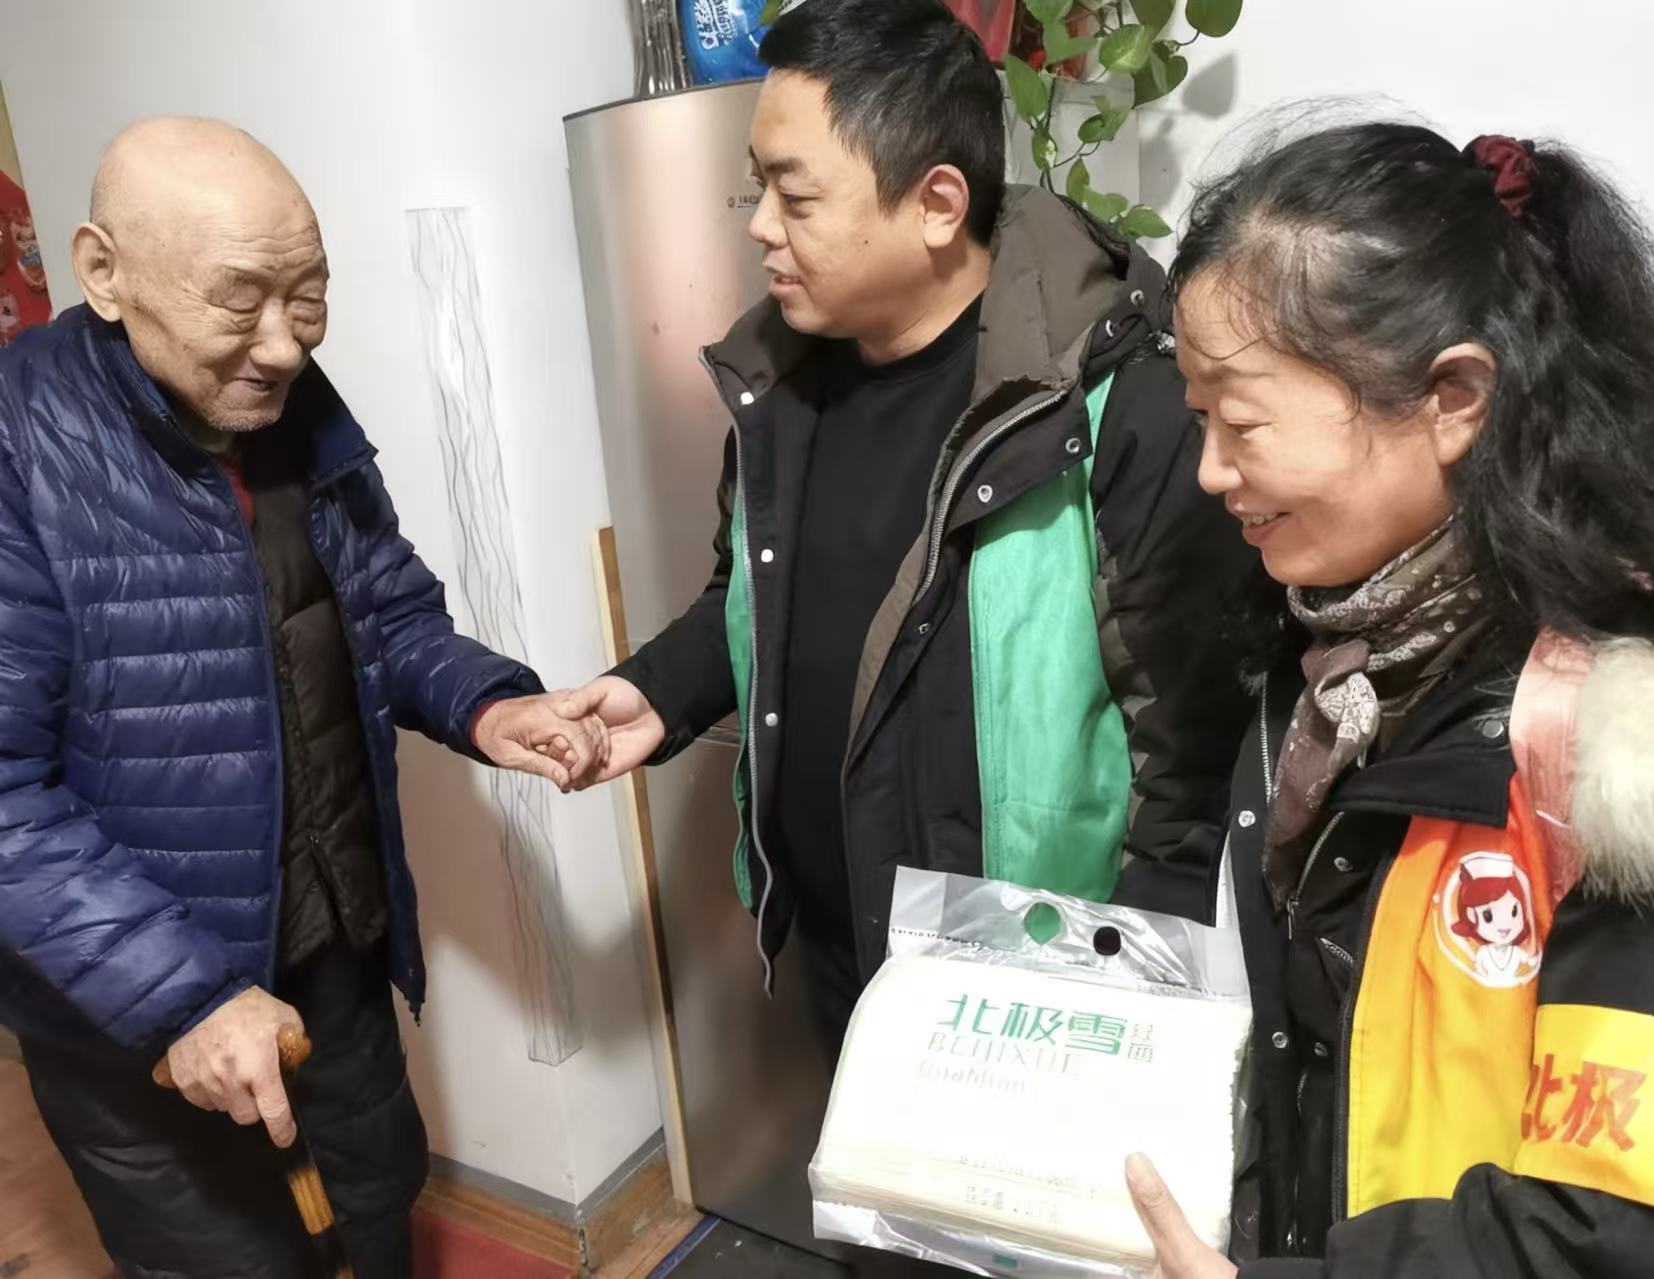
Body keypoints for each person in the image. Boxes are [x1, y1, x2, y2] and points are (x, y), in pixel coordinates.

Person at [563, 0, 1254, 1053]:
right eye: (758, 188)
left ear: (936, 203)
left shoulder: (1113, 405)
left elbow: (1190, 762)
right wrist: (655, 692)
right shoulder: (779, 386)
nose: (758, 226)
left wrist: (1124, 1017)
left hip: (1040, 1002)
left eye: (795, 195)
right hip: (843, 959)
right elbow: (750, 597)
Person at [0, 117, 606, 1277]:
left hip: (328, 935)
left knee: (375, 1196)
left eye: (308, 298)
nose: (282, 345)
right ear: (103, 271)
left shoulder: (287, 404)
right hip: (136, 998)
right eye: (241, 301)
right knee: (223, 1256)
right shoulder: (18, 445)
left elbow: (387, 610)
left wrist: (488, 706)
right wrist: (180, 998)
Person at [1119, 120, 1654, 1277]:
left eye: (1241, 420)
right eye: (1196, 418)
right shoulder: (1322, 655)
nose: (1209, 472)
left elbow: (1622, 1231)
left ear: (1450, 398)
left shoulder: (1638, 735)